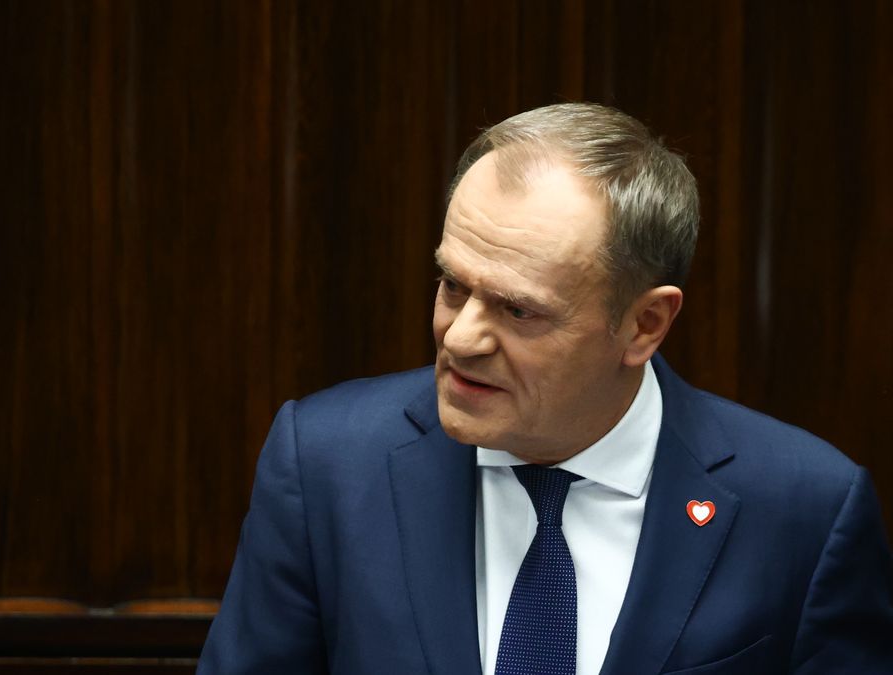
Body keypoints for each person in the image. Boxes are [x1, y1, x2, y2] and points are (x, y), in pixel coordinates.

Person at [197, 103, 893, 674]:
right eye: (452, 285)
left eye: (517, 309)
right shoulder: (324, 465)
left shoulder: (806, 509)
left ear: (645, 323)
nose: (461, 336)